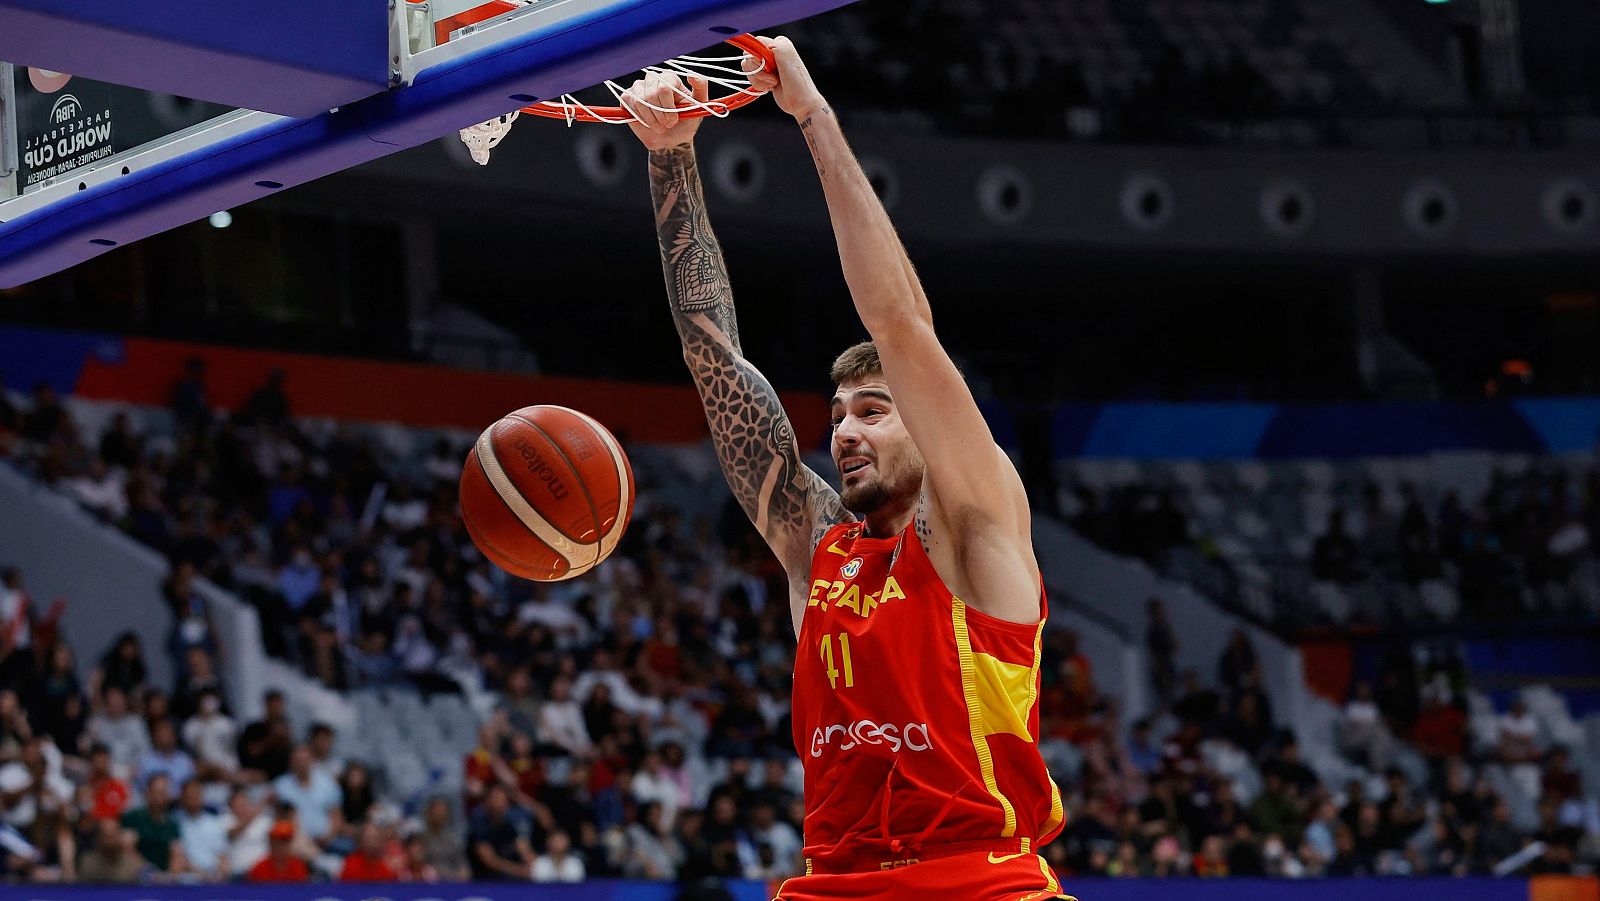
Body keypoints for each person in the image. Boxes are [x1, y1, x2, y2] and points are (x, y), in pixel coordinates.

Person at [623, 37, 1067, 900]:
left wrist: (813, 120)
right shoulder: (818, 548)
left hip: (978, 880)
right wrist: (671, 159)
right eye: (836, 417)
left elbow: (902, 326)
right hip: (836, 882)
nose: (846, 433)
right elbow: (714, 358)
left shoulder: (972, 524)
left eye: (872, 410)